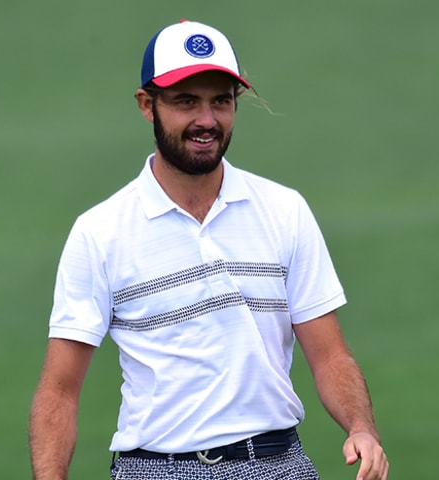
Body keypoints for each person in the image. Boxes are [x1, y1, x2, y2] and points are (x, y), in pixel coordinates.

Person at [28, 19, 388, 480]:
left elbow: (331, 355)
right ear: (147, 105)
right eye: (185, 102)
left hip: (278, 464)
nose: (206, 120)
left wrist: (361, 427)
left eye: (221, 101)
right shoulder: (100, 231)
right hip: (155, 469)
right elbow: (59, 390)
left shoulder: (284, 210)